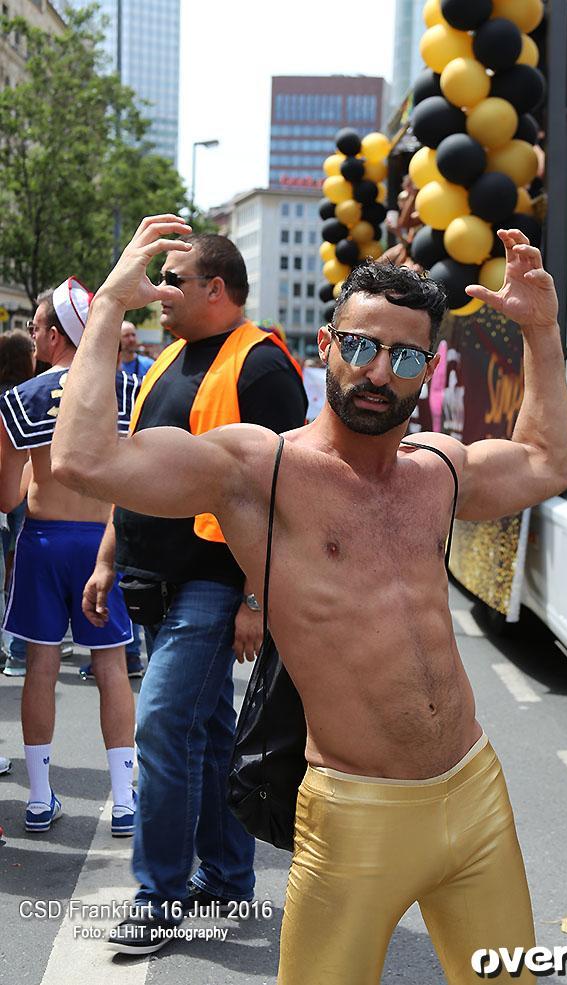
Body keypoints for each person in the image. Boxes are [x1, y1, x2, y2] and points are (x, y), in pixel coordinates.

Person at [53, 215, 567, 982]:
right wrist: (107, 311)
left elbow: (543, 460)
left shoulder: (437, 468)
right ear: (326, 347)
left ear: (425, 370)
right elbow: (83, 459)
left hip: (473, 793)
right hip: (354, 813)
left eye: (401, 356)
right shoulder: (259, 470)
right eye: (359, 346)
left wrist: (541, 332)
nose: (376, 371)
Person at [74, 231, 307, 953]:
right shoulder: (168, 360)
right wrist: (108, 559)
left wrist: (255, 600)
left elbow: (285, 496)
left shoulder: (263, 365)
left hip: (214, 581)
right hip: (152, 576)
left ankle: (160, 896)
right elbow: (133, 467)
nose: (161, 291)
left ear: (217, 286)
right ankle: (230, 878)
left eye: (173, 279)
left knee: (162, 723)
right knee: (204, 734)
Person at [0, 279, 139, 836]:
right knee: (111, 667)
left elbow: (7, 496)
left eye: (36, 328)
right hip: (104, 541)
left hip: (43, 541)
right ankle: (126, 800)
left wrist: (37, 470)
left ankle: (38, 797)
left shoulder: (19, 397)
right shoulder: (127, 388)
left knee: (40, 664)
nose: (32, 336)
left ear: (56, 336)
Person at [0, 329, 36, 676]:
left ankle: (14, 649)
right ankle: (17, 646)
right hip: (22, 488)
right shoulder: (26, 396)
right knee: (19, 563)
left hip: (10, 492)